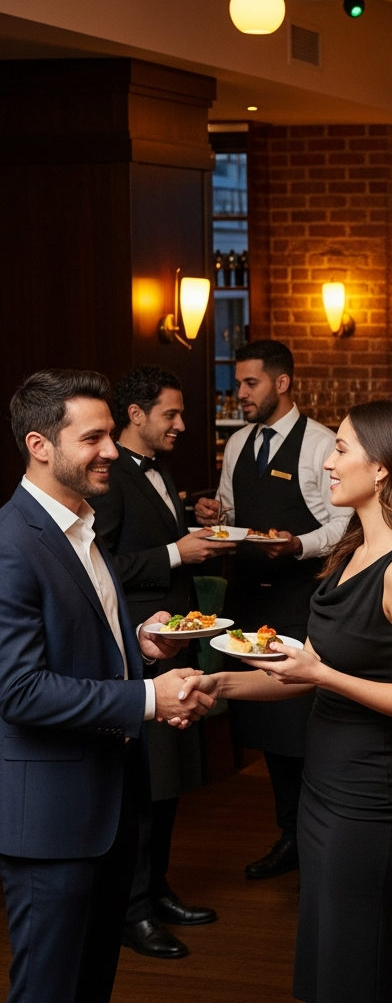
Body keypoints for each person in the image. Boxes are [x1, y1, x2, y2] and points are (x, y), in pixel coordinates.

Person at [182, 400, 392, 1003]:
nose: (329, 462)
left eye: (342, 449)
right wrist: (218, 685)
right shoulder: (351, 553)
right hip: (327, 783)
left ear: (381, 469)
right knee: (327, 962)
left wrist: (323, 672)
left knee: (360, 968)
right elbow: (303, 675)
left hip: (373, 797)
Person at [0, 369, 212, 1003]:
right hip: (52, 819)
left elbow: (78, 644)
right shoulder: (13, 543)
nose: (113, 451)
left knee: (90, 985)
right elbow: (19, 691)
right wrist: (149, 698)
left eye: (111, 436)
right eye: (93, 438)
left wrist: (137, 649)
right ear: (41, 446)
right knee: (48, 989)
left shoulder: (82, 526)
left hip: (112, 802)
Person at [195, 340, 351, 881]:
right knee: (267, 728)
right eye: (239, 383)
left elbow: (342, 526)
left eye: (250, 383)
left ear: (282, 384)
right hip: (249, 597)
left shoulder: (322, 444)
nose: (240, 394)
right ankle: (291, 834)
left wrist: (297, 545)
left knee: (302, 721)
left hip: (299, 598)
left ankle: (319, 837)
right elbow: (235, 516)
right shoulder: (237, 443)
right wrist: (215, 514)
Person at [90, 367, 224, 959]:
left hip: (175, 635)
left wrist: (193, 521)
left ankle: (157, 887)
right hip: (138, 643)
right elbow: (107, 564)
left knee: (168, 783)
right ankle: (132, 909)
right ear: (135, 415)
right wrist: (177, 550)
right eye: (170, 414)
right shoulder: (111, 472)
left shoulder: (157, 467)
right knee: (146, 784)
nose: (181, 424)